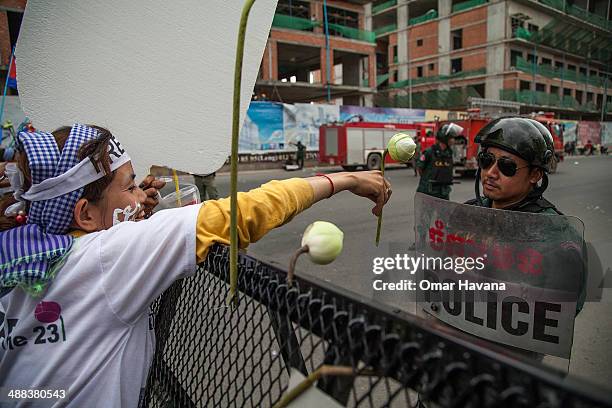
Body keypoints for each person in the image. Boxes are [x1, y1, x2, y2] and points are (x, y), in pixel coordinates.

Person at [0, 123, 391, 407]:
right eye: (130, 185)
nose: (143, 194)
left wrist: (129, 210)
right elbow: (245, 211)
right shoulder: (107, 258)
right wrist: (345, 179)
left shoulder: (20, 249)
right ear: (85, 214)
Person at [465, 116, 586, 309]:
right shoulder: (467, 213)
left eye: (507, 166)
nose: (490, 173)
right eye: (486, 161)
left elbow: (562, 310)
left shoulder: (555, 234)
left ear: (535, 175)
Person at [416, 123, 463, 200]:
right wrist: (427, 180)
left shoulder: (449, 152)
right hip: (429, 192)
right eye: (451, 138)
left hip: (443, 192)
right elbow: (420, 167)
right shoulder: (430, 152)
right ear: (445, 138)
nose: (453, 140)